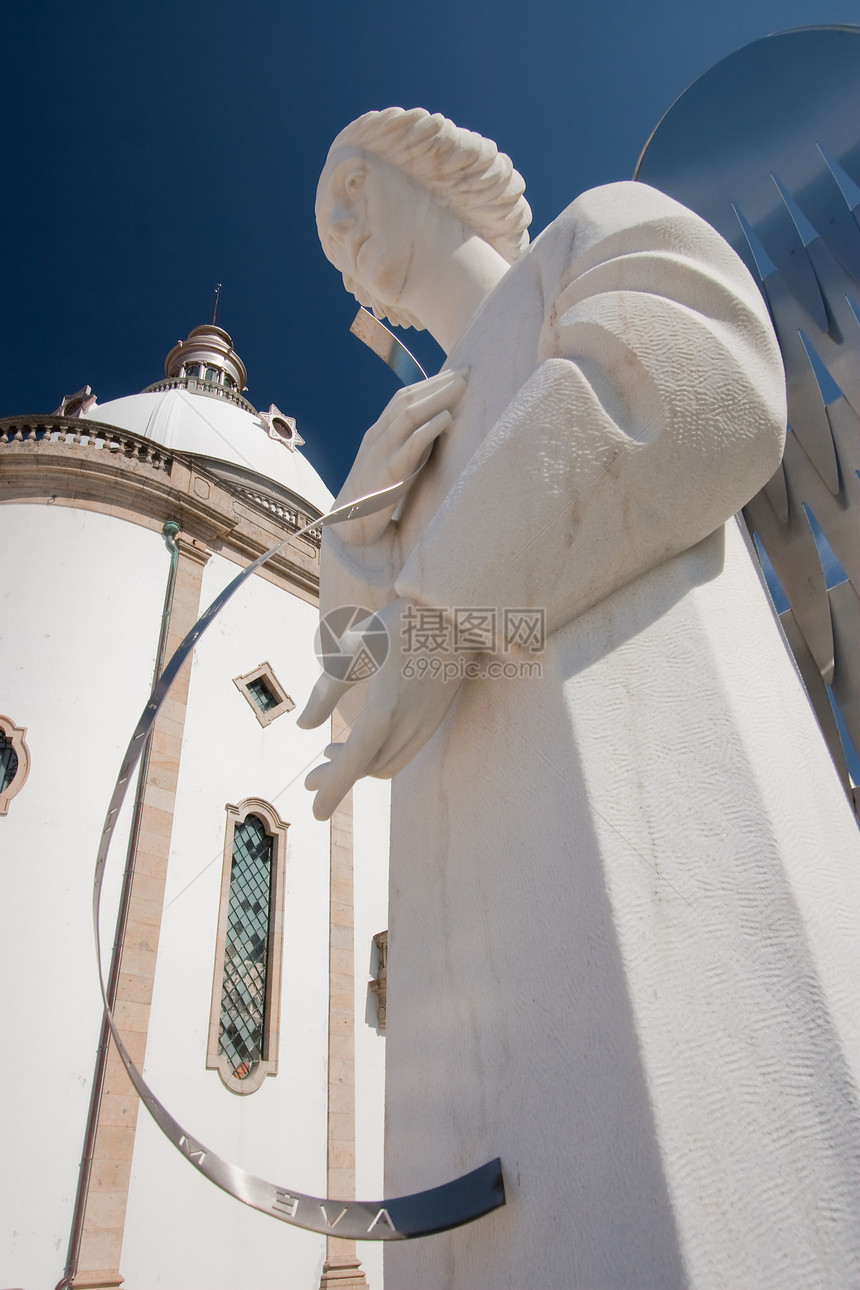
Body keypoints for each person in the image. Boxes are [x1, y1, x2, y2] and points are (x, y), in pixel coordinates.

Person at [300, 109, 860, 1289]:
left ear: (435, 165)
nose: (344, 238)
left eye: (350, 191)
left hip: (682, 838)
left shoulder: (590, 235)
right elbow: (357, 700)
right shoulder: (394, 468)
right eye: (329, 243)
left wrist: (445, 611)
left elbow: (693, 383)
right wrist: (354, 539)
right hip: (467, 1000)